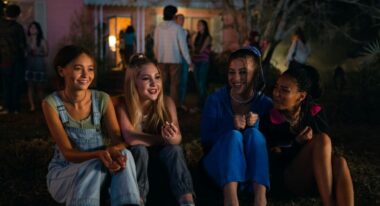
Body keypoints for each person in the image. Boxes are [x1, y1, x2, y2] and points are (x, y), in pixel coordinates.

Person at [42, 45, 140, 206]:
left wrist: (114, 152)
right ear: (61, 71)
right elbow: (68, 153)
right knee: (94, 164)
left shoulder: (102, 99)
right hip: (66, 173)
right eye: (78, 69)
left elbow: (118, 141)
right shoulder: (51, 103)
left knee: (126, 156)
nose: (86, 75)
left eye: (90, 69)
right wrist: (99, 155)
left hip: (102, 167)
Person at [260, 65, 354, 206]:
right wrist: (297, 143)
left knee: (340, 162)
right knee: (321, 139)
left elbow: (326, 153)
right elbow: (273, 161)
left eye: (284, 90)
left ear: (301, 96)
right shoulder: (270, 120)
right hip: (287, 180)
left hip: (318, 178)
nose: (276, 93)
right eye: (276, 87)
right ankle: (329, 203)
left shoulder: (314, 113)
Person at [115, 53, 195, 206]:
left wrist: (171, 137)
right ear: (134, 83)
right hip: (137, 159)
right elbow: (130, 137)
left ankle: (187, 200)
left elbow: (178, 139)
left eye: (157, 77)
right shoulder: (124, 105)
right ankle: (138, 199)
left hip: (162, 157)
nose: (154, 83)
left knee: (175, 150)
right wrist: (163, 139)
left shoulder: (166, 102)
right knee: (139, 149)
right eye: (146, 78)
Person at [201, 47, 272, 206]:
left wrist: (257, 124)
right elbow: (205, 140)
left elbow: (273, 143)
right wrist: (229, 125)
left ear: (256, 73)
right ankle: (230, 199)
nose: (236, 78)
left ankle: (260, 199)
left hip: (252, 173)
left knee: (255, 135)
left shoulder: (264, 104)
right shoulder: (216, 100)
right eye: (231, 72)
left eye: (243, 72)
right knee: (233, 136)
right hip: (220, 168)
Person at [154, 5, 192, 106]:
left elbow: (156, 45)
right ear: (173, 15)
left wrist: (157, 57)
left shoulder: (158, 28)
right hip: (175, 60)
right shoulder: (177, 28)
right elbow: (183, 47)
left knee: (161, 84)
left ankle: (160, 106)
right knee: (174, 85)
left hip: (161, 60)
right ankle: (173, 108)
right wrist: (189, 61)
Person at [0, 4, 27, 114]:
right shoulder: (18, 28)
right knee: (15, 83)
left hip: (3, 60)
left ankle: (6, 107)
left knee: (5, 84)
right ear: (17, 15)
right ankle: (15, 108)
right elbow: (22, 45)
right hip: (16, 60)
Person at [25, 21, 48, 112]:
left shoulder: (42, 40)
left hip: (39, 65)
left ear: (38, 30)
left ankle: (43, 105)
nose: (32, 29)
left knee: (39, 87)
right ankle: (32, 106)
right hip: (29, 64)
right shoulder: (27, 40)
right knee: (30, 86)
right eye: (31, 28)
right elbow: (24, 52)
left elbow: (46, 52)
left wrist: (38, 52)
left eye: (34, 28)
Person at [190, 20, 212, 113]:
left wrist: (195, 50)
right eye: (197, 24)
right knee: (198, 84)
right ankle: (203, 104)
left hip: (203, 62)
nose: (198, 26)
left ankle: (203, 105)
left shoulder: (208, 37)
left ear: (204, 26)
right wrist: (191, 38)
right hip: (196, 62)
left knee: (201, 83)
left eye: (200, 25)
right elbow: (193, 49)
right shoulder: (197, 37)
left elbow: (200, 50)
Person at [175, 14, 191, 112]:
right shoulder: (173, 31)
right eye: (180, 19)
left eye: (183, 19)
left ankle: (180, 102)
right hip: (176, 59)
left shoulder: (185, 32)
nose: (182, 20)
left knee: (184, 81)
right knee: (176, 82)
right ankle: (175, 103)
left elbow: (186, 46)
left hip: (184, 59)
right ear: (176, 20)